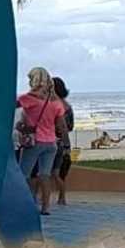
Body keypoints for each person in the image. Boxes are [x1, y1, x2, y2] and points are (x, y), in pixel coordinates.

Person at [17, 67, 68, 216]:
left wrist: (22, 126)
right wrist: (65, 144)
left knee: (23, 174)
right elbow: (62, 126)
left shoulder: (29, 98)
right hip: (51, 143)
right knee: (45, 175)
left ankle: (24, 202)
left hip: (34, 142)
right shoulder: (55, 102)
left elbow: (10, 106)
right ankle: (46, 207)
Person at [51, 77, 74, 206]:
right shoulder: (68, 106)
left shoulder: (53, 105)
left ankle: (38, 197)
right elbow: (70, 126)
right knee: (59, 171)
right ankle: (62, 197)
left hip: (53, 139)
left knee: (46, 171)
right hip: (65, 141)